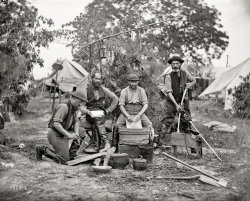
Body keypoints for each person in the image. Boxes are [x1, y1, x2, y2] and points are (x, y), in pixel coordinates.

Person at [35, 90, 87, 164]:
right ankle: (42, 149)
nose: (81, 104)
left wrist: (77, 134)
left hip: (63, 133)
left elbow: (75, 122)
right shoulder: (64, 107)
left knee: (82, 131)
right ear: (74, 98)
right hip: (55, 134)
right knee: (64, 160)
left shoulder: (74, 107)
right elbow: (56, 124)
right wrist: (68, 135)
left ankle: (71, 155)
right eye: (80, 102)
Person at [158, 55, 196, 145]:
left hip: (183, 100)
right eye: (173, 64)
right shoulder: (168, 76)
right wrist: (176, 105)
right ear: (171, 65)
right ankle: (160, 143)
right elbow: (169, 93)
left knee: (186, 120)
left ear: (180, 64)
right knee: (167, 121)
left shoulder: (185, 73)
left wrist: (190, 85)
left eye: (177, 63)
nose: (175, 65)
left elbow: (194, 80)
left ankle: (189, 143)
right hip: (171, 101)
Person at [79, 71, 118, 152]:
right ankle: (106, 142)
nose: (98, 81)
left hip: (101, 114)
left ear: (101, 80)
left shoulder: (104, 90)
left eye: (99, 79)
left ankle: (96, 147)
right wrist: (86, 111)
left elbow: (115, 99)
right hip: (90, 114)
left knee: (97, 121)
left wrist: (108, 110)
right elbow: (81, 106)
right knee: (96, 119)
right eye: (96, 78)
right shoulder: (86, 90)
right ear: (92, 79)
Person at [112, 74, 154, 147]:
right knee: (117, 125)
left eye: (135, 82)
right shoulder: (124, 91)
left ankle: (150, 145)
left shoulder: (141, 90)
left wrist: (139, 115)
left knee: (149, 125)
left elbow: (145, 104)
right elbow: (121, 106)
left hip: (139, 111)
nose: (134, 83)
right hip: (127, 111)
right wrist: (127, 116)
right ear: (129, 82)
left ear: (138, 82)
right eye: (132, 82)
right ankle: (115, 145)